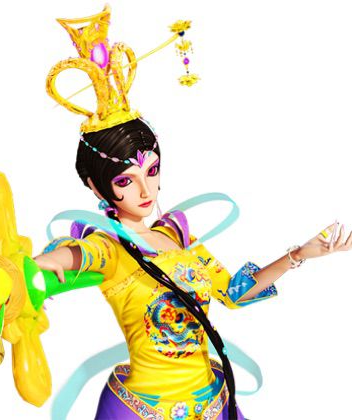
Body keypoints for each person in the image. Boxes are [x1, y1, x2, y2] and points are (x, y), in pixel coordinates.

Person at [36, 6, 352, 419]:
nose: (145, 190)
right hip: (143, 410)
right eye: (126, 180)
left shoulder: (177, 237)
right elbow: (65, 259)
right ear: (97, 187)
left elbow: (234, 292)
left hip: (212, 401)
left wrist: (300, 255)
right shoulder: (107, 247)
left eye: (151, 171)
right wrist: (30, 269)